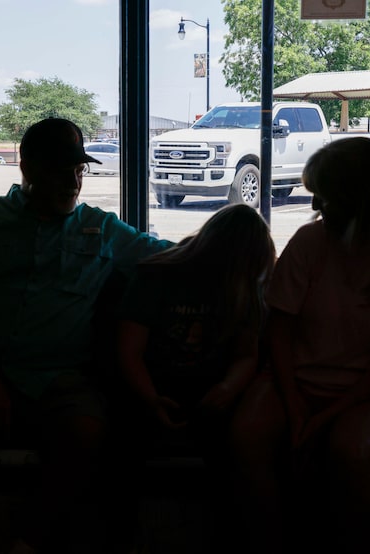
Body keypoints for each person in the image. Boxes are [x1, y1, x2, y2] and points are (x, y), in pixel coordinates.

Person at [0, 117, 172, 554]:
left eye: (79, 169)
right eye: (60, 168)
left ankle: (26, 543)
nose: (73, 180)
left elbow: (169, 255)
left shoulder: (102, 229)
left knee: (85, 433)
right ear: (26, 167)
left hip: (58, 376)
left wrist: (238, 243)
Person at [229, 137, 370, 554]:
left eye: (324, 197)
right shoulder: (309, 243)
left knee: (351, 451)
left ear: (357, 197)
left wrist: (325, 417)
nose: (316, 207)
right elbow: (279, 332)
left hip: (368, 394)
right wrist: (295, 404)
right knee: (244, 435)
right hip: (291, 381)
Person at [112, 203, 276, 549]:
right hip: (148, 388)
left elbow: (247, 355)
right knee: (120, 453)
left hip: (209, 394)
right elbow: (128, 352)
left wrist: (228, 389)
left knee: (236, 458)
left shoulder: (245, 287)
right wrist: (148, 397)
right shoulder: (158, 276)